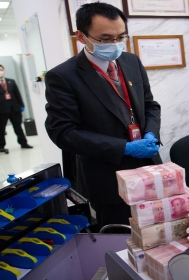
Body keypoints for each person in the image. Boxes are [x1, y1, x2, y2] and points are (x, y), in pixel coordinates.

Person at [44, 2, 161, 228]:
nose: (115, 44)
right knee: (122, 237)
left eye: (121, 37)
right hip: (107, 174)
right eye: (105, 39)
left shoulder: (131, 61)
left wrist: (150, 133)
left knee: (157, 230)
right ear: (81, 36)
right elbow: (63, 132)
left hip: (148, 166)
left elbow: (150, 105)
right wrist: (122, 147)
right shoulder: (63, 76)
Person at [0, 64, 33, 151]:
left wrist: (21, 105)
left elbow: (17, 94)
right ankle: (1, 146)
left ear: (4, 70)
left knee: (18, 127)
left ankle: (23, 143)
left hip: (14, 108)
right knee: (0, 129)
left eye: (1, 69)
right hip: (0, 110)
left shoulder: (11, 81)